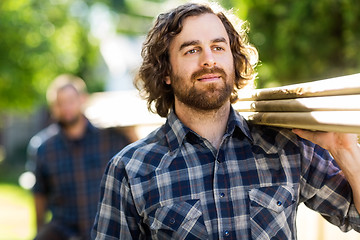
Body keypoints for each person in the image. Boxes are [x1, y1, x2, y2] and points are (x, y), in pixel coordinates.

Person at [92, 2, 360, 239]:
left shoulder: (287, 146)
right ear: (166, 73)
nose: (209, 60)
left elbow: (355, 217)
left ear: (234, 60)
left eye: (218, 47)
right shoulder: (131, 169)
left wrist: (345, 149)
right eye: (192, 50)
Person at [30, 74, 131, 240]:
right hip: (64, 232)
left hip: (105, 230)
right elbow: (39, 194)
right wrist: (39, 229)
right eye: (59, 103)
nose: (65, 108)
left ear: (83, 99)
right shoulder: (43, 147)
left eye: (70, 101)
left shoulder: (111, 138)